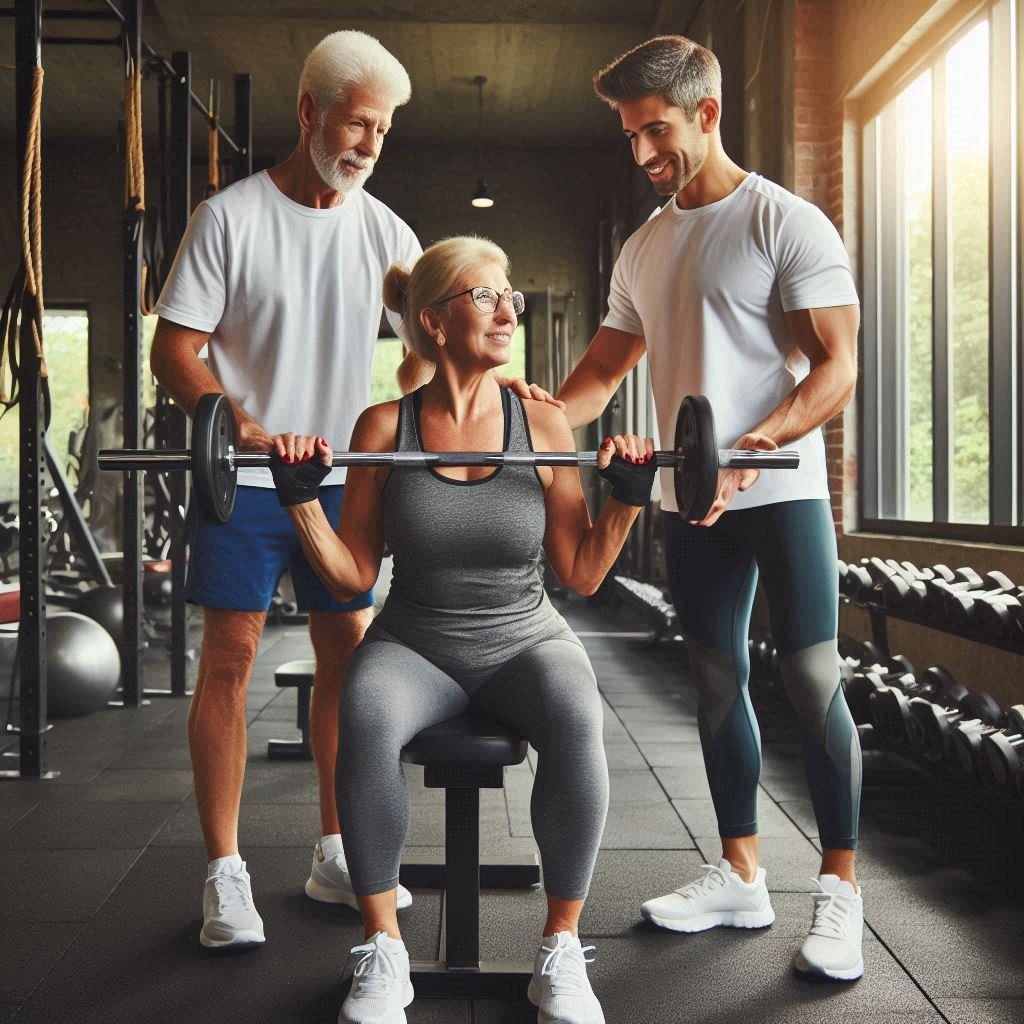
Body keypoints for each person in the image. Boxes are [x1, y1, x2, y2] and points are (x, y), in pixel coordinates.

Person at [269, 235, 656, 1024]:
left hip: (525, 634)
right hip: (415, 639)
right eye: (485, 294)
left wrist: (627, 498)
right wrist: (301, 499)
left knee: (579, 712)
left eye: (509, 293)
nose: (508, 308)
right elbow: (352, 575)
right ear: (433, 321)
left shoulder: (543, 426)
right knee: (364, 713)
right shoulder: (383, 428)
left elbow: (580, 573)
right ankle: (383, 949)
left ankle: (559, 948)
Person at [555, 36, 864, 981]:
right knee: (716, 679)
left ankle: (841, 893)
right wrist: (508, 423)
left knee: (812, 681)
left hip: (782, 490)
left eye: (659, 131)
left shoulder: (786, 223)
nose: (645, 153)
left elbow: (836, 367)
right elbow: (597, 379)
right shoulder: (645, 248)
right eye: (631, 137)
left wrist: (758, 447)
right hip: (695, 500)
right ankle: (740, 873)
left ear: (708, 114)